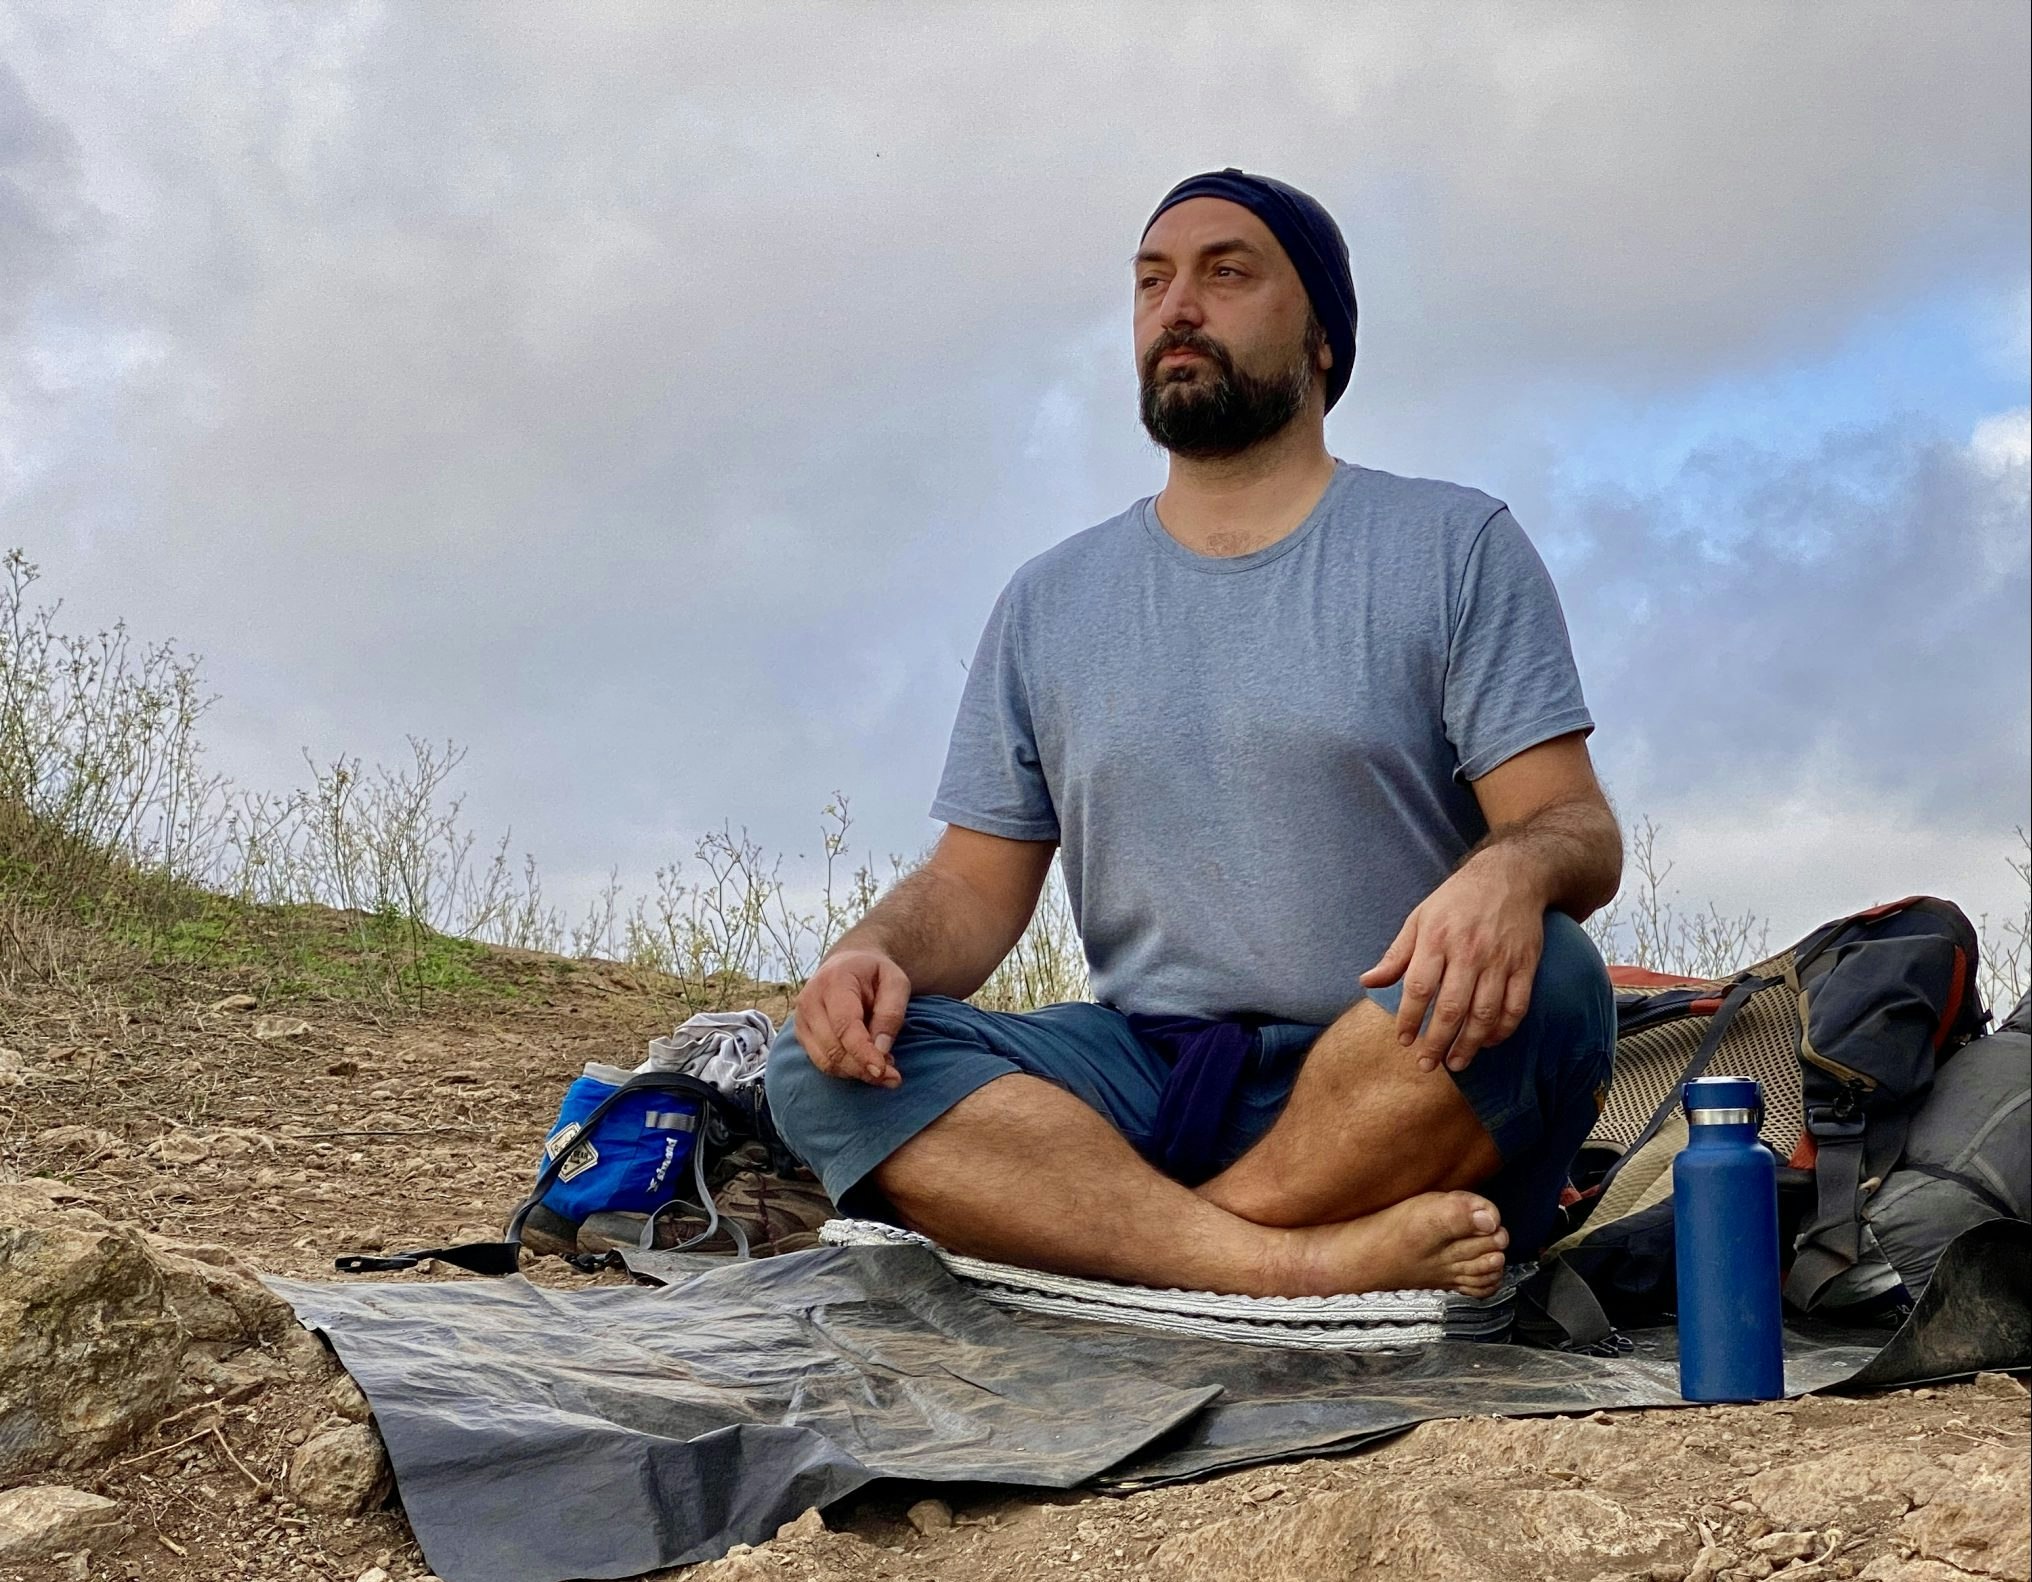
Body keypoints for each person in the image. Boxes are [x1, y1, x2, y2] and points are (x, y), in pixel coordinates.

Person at [765, 168, 1621, 1300]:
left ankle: (1129, 1254)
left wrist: (1509, 875)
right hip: (1144, 1079)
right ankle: (1270, 1266)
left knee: (1556, 978)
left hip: (1388, 1068)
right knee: (820, 1062)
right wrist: (869, 953)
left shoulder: (1451, 545)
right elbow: (972, 892)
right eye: (1152, 281)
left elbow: (1572, 827)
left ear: (1321, 335)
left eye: (1226, 273)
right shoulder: (1049, 599)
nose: (1178, 307)